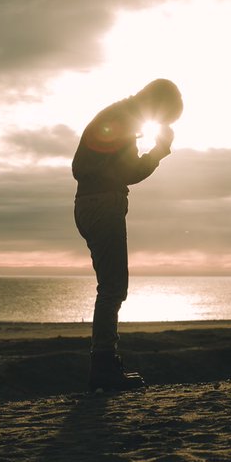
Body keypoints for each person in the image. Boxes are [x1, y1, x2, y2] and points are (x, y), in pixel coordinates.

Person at [72, 78, 183, 392]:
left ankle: (104, 364)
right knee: (113, 288)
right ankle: (103, 366)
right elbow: (127, 173)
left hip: (89, 204)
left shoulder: (118, 115)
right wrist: (159, 151)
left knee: (110, 287)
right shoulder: (122, 118)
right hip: (102, 204)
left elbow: (89, 166)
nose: (161, 122)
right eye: (165, 116)